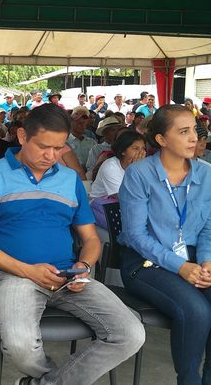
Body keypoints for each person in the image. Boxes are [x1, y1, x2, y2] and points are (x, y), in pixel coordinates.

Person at [0, 103, 145, 385]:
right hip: (14, 276)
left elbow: (90, 239)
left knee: (131, 334)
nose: (51, 156)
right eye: (43, 147)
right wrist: (29, 271)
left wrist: (83, 266)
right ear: (22, 136)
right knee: (20, 347)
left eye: (59, 148)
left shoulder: (69, 179)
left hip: (68, 277)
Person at [119, 104, 211, 385]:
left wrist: (206, 261)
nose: (194, 138)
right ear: (161, 139)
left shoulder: (206, 174)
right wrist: (180, 266)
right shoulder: (139, 174)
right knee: (196, 310)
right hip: (145, 263)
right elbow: (135, 236)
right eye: (183, 132)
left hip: (194, 259)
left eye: (194, 130)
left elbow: (208, 228)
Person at [89, 130, 146, 200]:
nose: (141, 152)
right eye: (136, 148)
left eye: (143, 148)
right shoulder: (110, 167)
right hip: (102, 204)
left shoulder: (143, 166)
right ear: (123, 151)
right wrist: (135, 169)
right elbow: (126, 198)